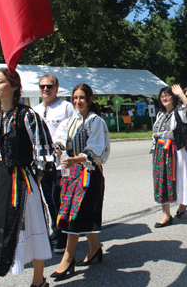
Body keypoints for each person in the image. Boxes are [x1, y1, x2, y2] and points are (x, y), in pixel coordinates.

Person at [0, 68, 54, 287]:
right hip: (2, 180)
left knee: (32, 226)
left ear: (14, 86)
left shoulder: (27, 115)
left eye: (0, 81)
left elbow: (43, 149)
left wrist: (36, 176)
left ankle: (38, 280)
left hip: (22, 181)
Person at [50, 83, 110, 279]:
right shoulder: (70, 120)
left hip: (88, 174)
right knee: (75, 213)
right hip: (71, 173)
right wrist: (59, 148)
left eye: (81, 97)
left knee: (74, 214)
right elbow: (59, 138)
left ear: (90, 99)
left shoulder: (96, 121)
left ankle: (68, 258)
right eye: (75, 97)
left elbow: (96, 149)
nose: (77, 101)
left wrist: (76, 158)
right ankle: (94, 248)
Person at [33, 74, 75, 253]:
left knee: (61, 198)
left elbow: (76, 129)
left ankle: (64, 234)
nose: (45, 89)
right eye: (42, 86)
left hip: (61, 163)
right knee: (49, 199)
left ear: (56, 88)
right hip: (43, 164)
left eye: (49, 86)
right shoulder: (34, 110)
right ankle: (56, 230)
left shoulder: (66, 107)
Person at [151, 85, 187, 227]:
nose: (164, 98)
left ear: (173, 97)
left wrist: (181, 94)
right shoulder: (160, 114)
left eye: (168, 95)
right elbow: (154, 135)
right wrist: (154, 152)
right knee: (161, 182)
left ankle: (183, 204)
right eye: (162, 96)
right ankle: (166, 215)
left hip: (175, 151)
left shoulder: (179, 111)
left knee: (180, 181)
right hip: (160, 152)